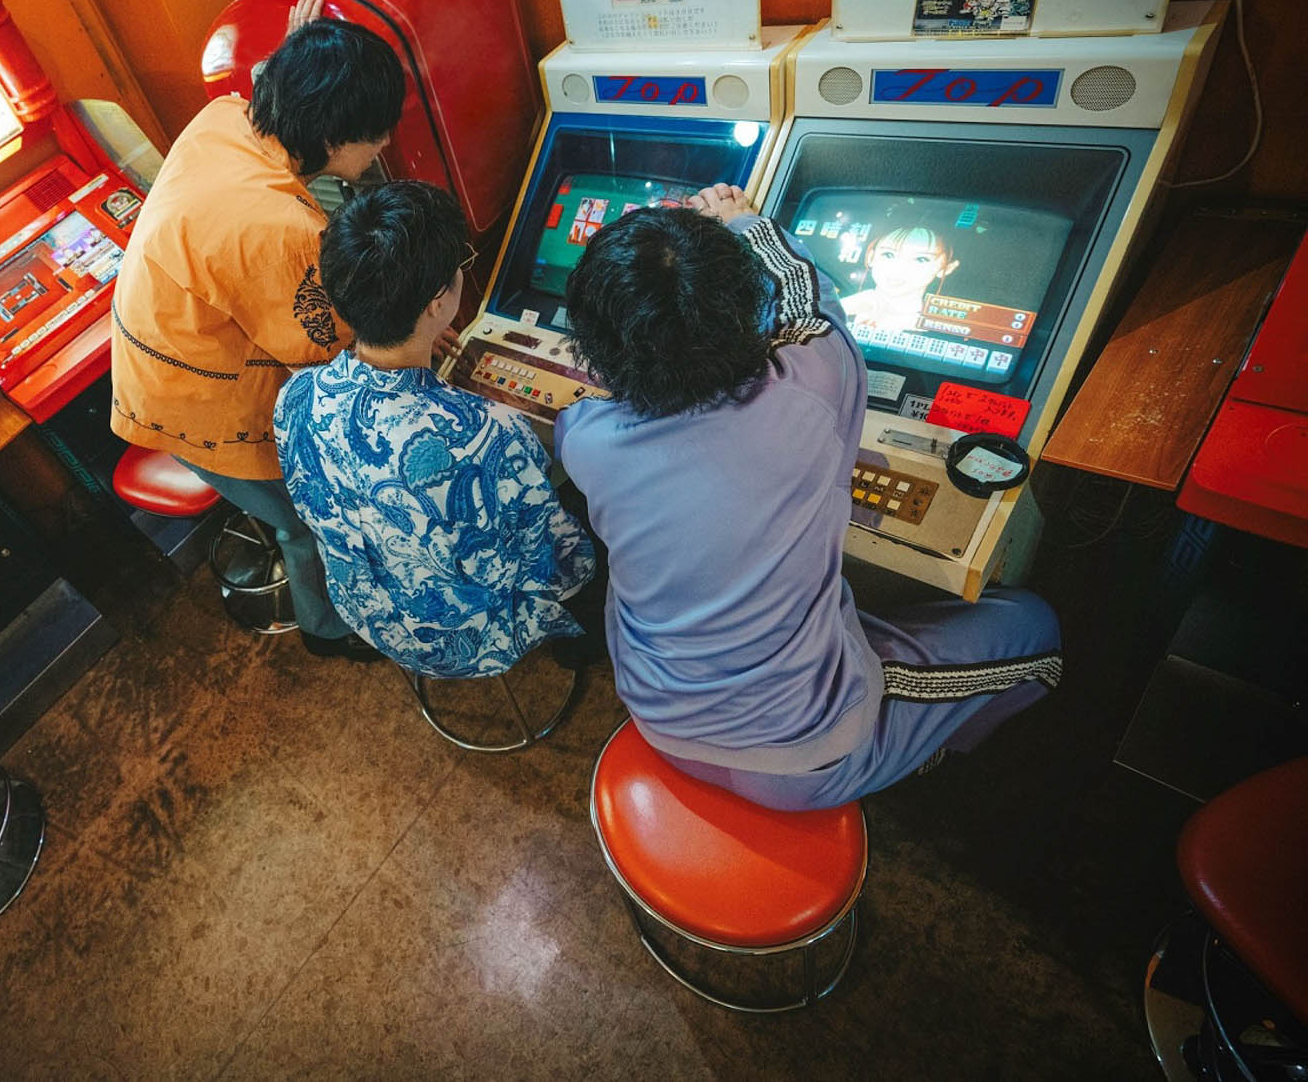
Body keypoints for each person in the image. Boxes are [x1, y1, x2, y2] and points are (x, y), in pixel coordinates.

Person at [555, 183, 1060, 811]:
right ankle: (924, 758)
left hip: (657, 716)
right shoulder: (813, 384)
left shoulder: (583, 438)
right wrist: (744, 221)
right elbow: (811, 300)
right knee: (1034, 626)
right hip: (801, 758)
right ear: (744, 313)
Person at [110, 0, 398, 662]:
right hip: (199, 398)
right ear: (333, 139)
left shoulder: (227, 116)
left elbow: (275, 91)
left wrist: (300, 56)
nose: (384, 146)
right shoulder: (282, 229)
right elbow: (327, 354)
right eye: (376, 134)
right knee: (306, 520)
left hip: (158, 351)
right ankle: (326, 629)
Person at [273, 181, 598, 677]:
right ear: (435, 304)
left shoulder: (297, 394)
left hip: (364, 610)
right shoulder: (493, 435)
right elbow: (564, 567)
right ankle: (576, 651)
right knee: (599, 528)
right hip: (463, 640)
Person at [839, 224, 960, 333]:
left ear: (947, 268)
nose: (899, 268)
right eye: (888, 255)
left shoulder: (939, 326)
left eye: (921, 259)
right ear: (871, 257)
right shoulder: (849, 304)